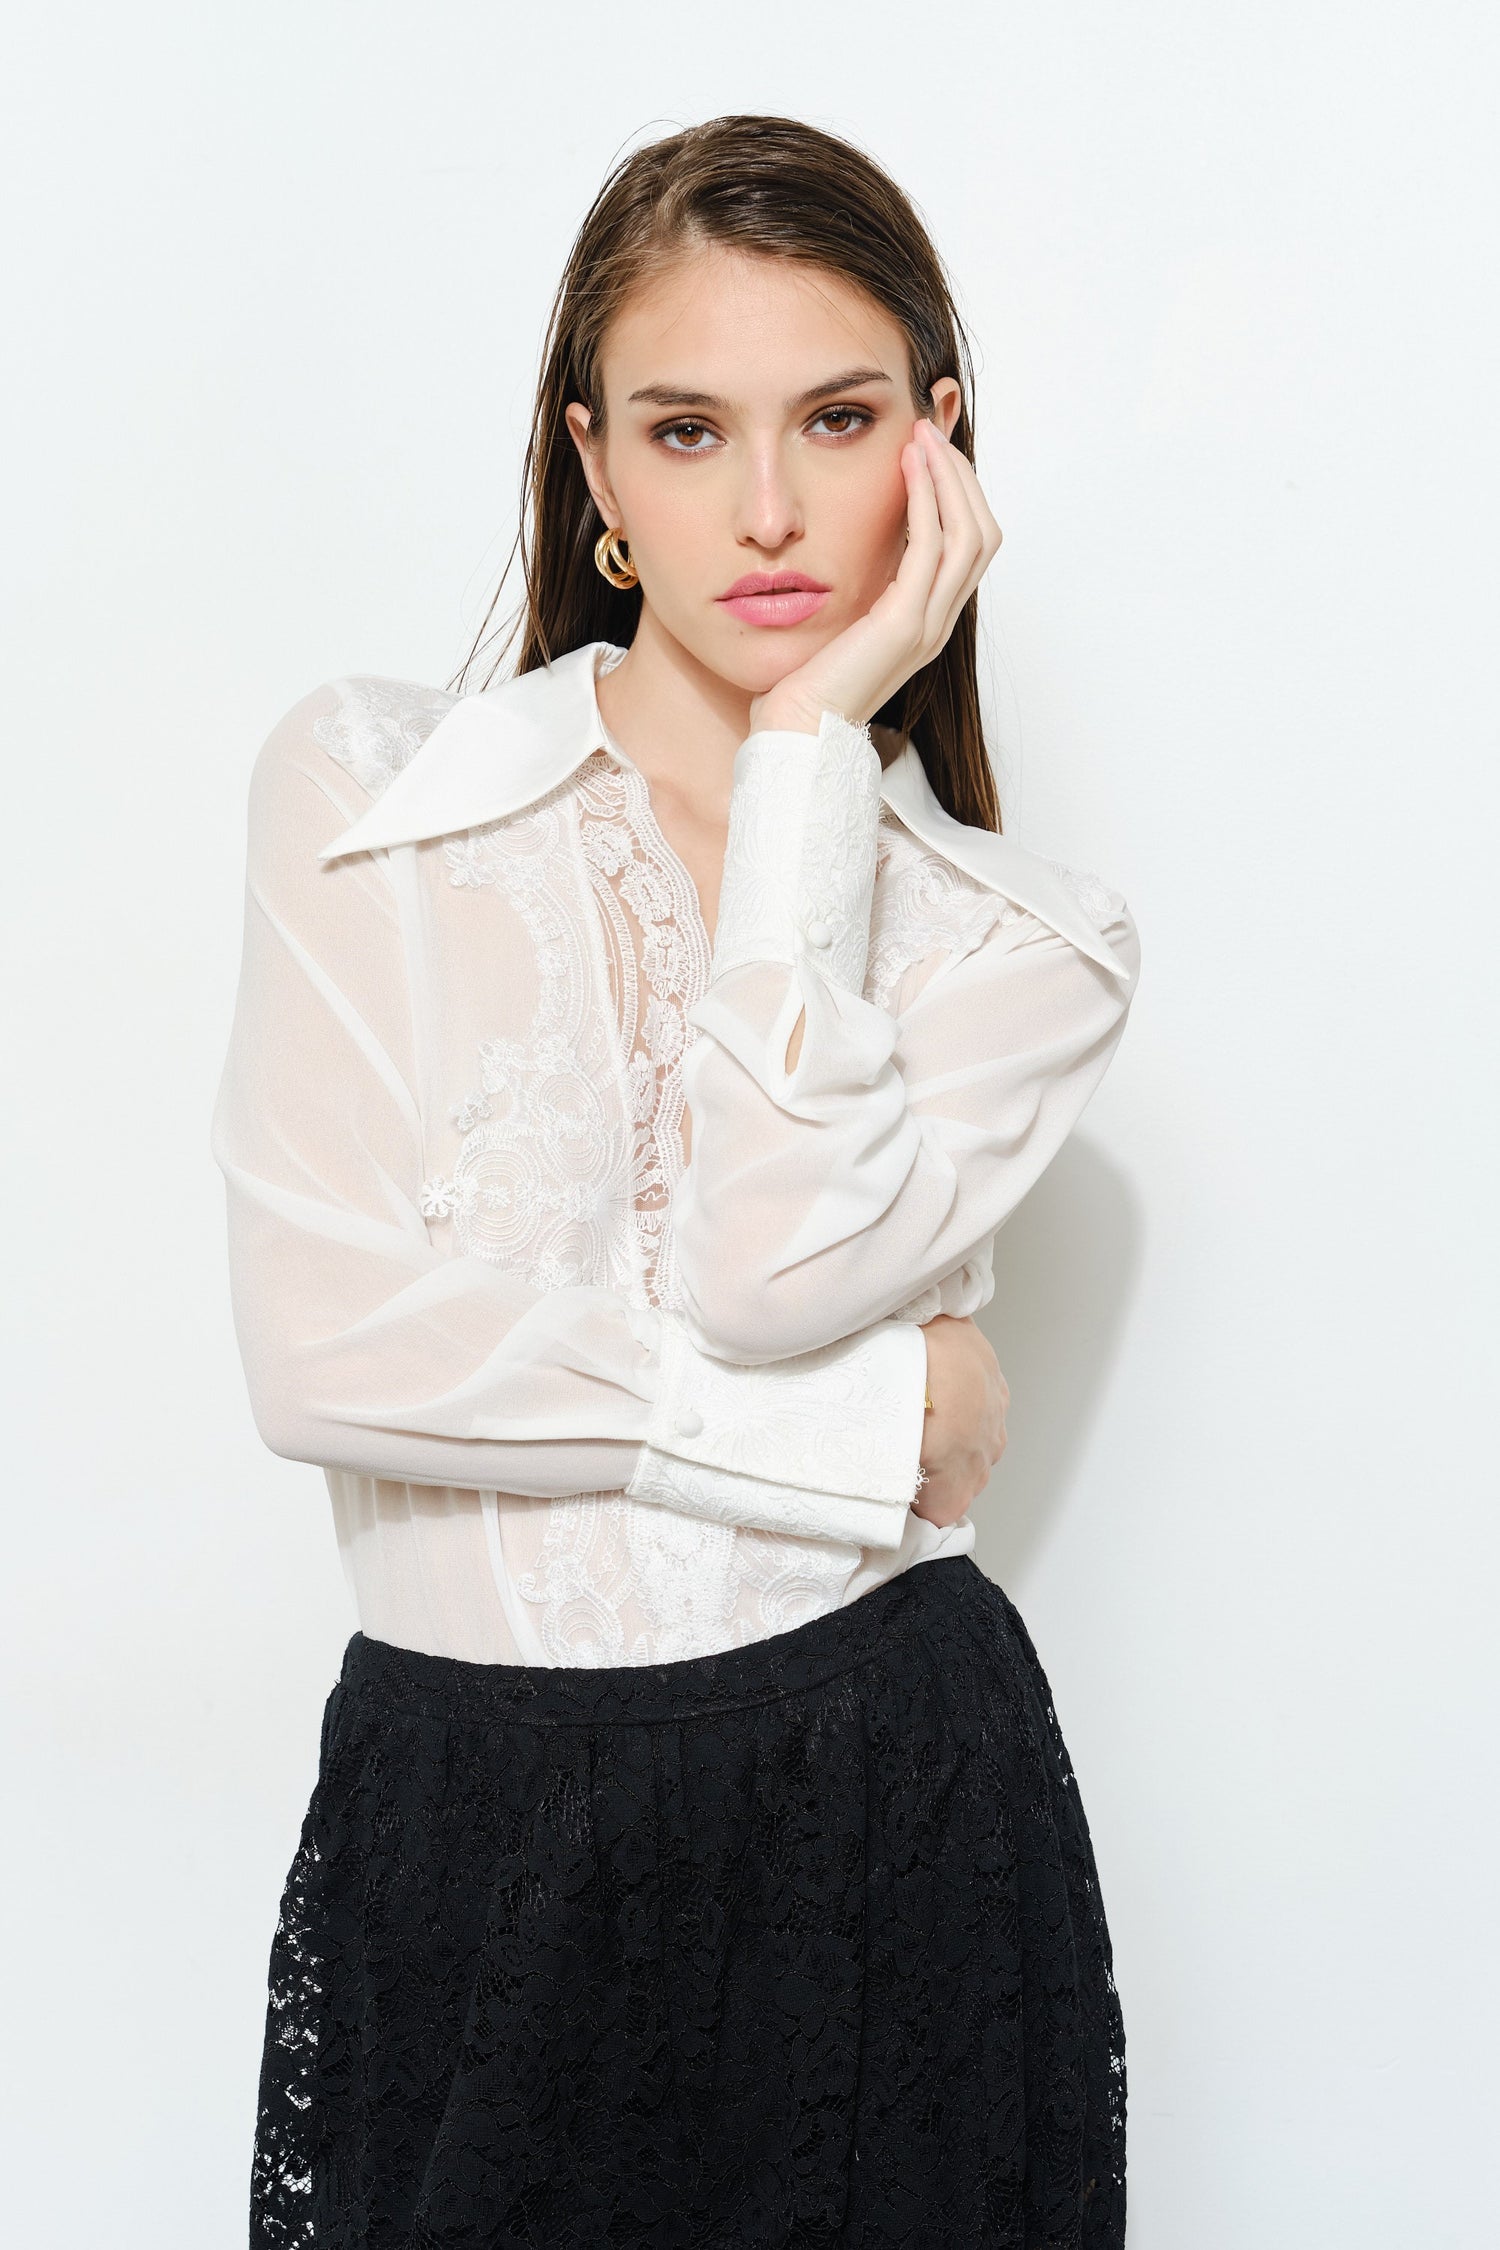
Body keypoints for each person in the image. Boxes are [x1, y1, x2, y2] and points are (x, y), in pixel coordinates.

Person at [212, 111, 1141, 2249]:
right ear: (597, 471)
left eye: (839, 419)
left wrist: (814, 754)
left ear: (939, 447)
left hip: (889, 1810)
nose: (771, 507)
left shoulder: (1027, 943)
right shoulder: (372, 796)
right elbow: (323, 1354)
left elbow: (761, 1264)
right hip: (471, 1817)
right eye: (688, 429)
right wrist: (875, 1428)